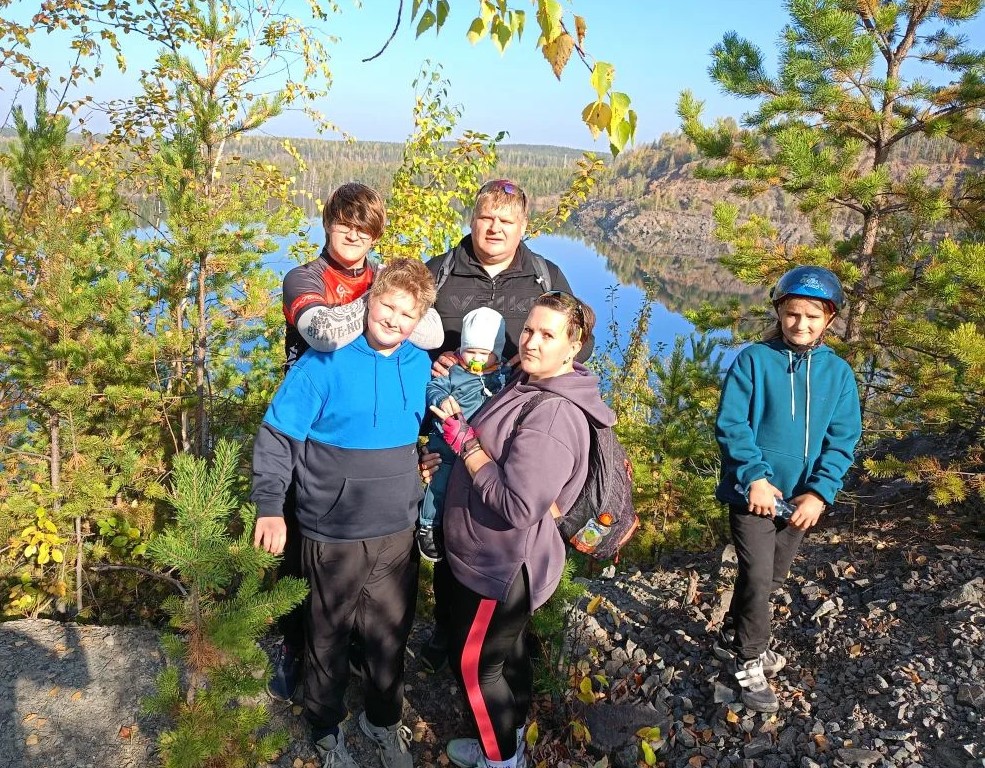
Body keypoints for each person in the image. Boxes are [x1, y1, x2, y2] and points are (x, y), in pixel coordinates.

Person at [252, 258, 437, 768]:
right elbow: (278, 435)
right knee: (327, 635)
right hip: (331, 529)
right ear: (368, 301)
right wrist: (270, 507)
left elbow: (425, 426)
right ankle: (325, 729)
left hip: (397, 528)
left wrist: (427, 457)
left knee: (389, 634)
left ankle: (381, 721)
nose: (394, 319)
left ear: (418, 318)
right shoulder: (324, 362)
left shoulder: (419, 364)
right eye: (387, 305)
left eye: (407, 312)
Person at [269, 182, 442, 702]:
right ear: (327, 223)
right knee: (303, 554)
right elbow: (321, 331)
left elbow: (429, 331)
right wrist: (380, 302)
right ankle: (295, 648)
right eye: (344, 223)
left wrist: (393, 301)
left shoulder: (382, 279)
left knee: (354, 579)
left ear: (375, 235)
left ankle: (359, 660)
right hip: (312, 424)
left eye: (364, 228)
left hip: (361, 436)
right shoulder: (304, 276)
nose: (352, 234)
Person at [429, 291, 611, 768]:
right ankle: (511, 740)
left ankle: (502, 759)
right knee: (506, 658)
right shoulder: (528, 382)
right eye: (528, 329)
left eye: (547, 335)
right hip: (493, 554)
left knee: (476, 669)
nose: (530, 342)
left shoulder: (551, 413)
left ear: (573, 346)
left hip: (500, 566)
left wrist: (464, 443)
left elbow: (517, 504)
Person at [419, 178, 590, 674]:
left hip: (516, 433)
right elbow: (408, 353)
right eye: (486, 217)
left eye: (506, 220)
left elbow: (577, 343)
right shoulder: (440, 273)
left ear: (523, 226)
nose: (494, 228)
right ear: (472, 219)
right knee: (452, 534)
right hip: (449, 429)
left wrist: (533, 374)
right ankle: (448, 634)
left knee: (501, 534)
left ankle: (506, 645)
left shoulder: (543, 276)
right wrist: (419, 442)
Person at [712, 265, 862, 713]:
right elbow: (732, 424)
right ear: (779, 312)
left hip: (800, 501)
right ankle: (749, 659)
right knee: (757, 575)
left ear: (829, 320)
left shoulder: (838, 374)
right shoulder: (754, 361)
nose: (801, 324)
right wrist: (754, 477)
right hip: (752, 495)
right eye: (793, 314)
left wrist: (820, 493)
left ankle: (730, 635)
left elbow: (843, 438)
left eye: (813, 317)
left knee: (770, 577)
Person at [418, 306, 508, 562]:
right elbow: (433, 387)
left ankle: (466, 530)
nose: (476, 359)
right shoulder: (453, 372)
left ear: (497, 354)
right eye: (470, 351)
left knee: (475, 490)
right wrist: (442, 398)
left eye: (484, 353)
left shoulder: (502, 377)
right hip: (446, 442)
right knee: (440, 482)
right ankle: (429, 524)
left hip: (480, 448)